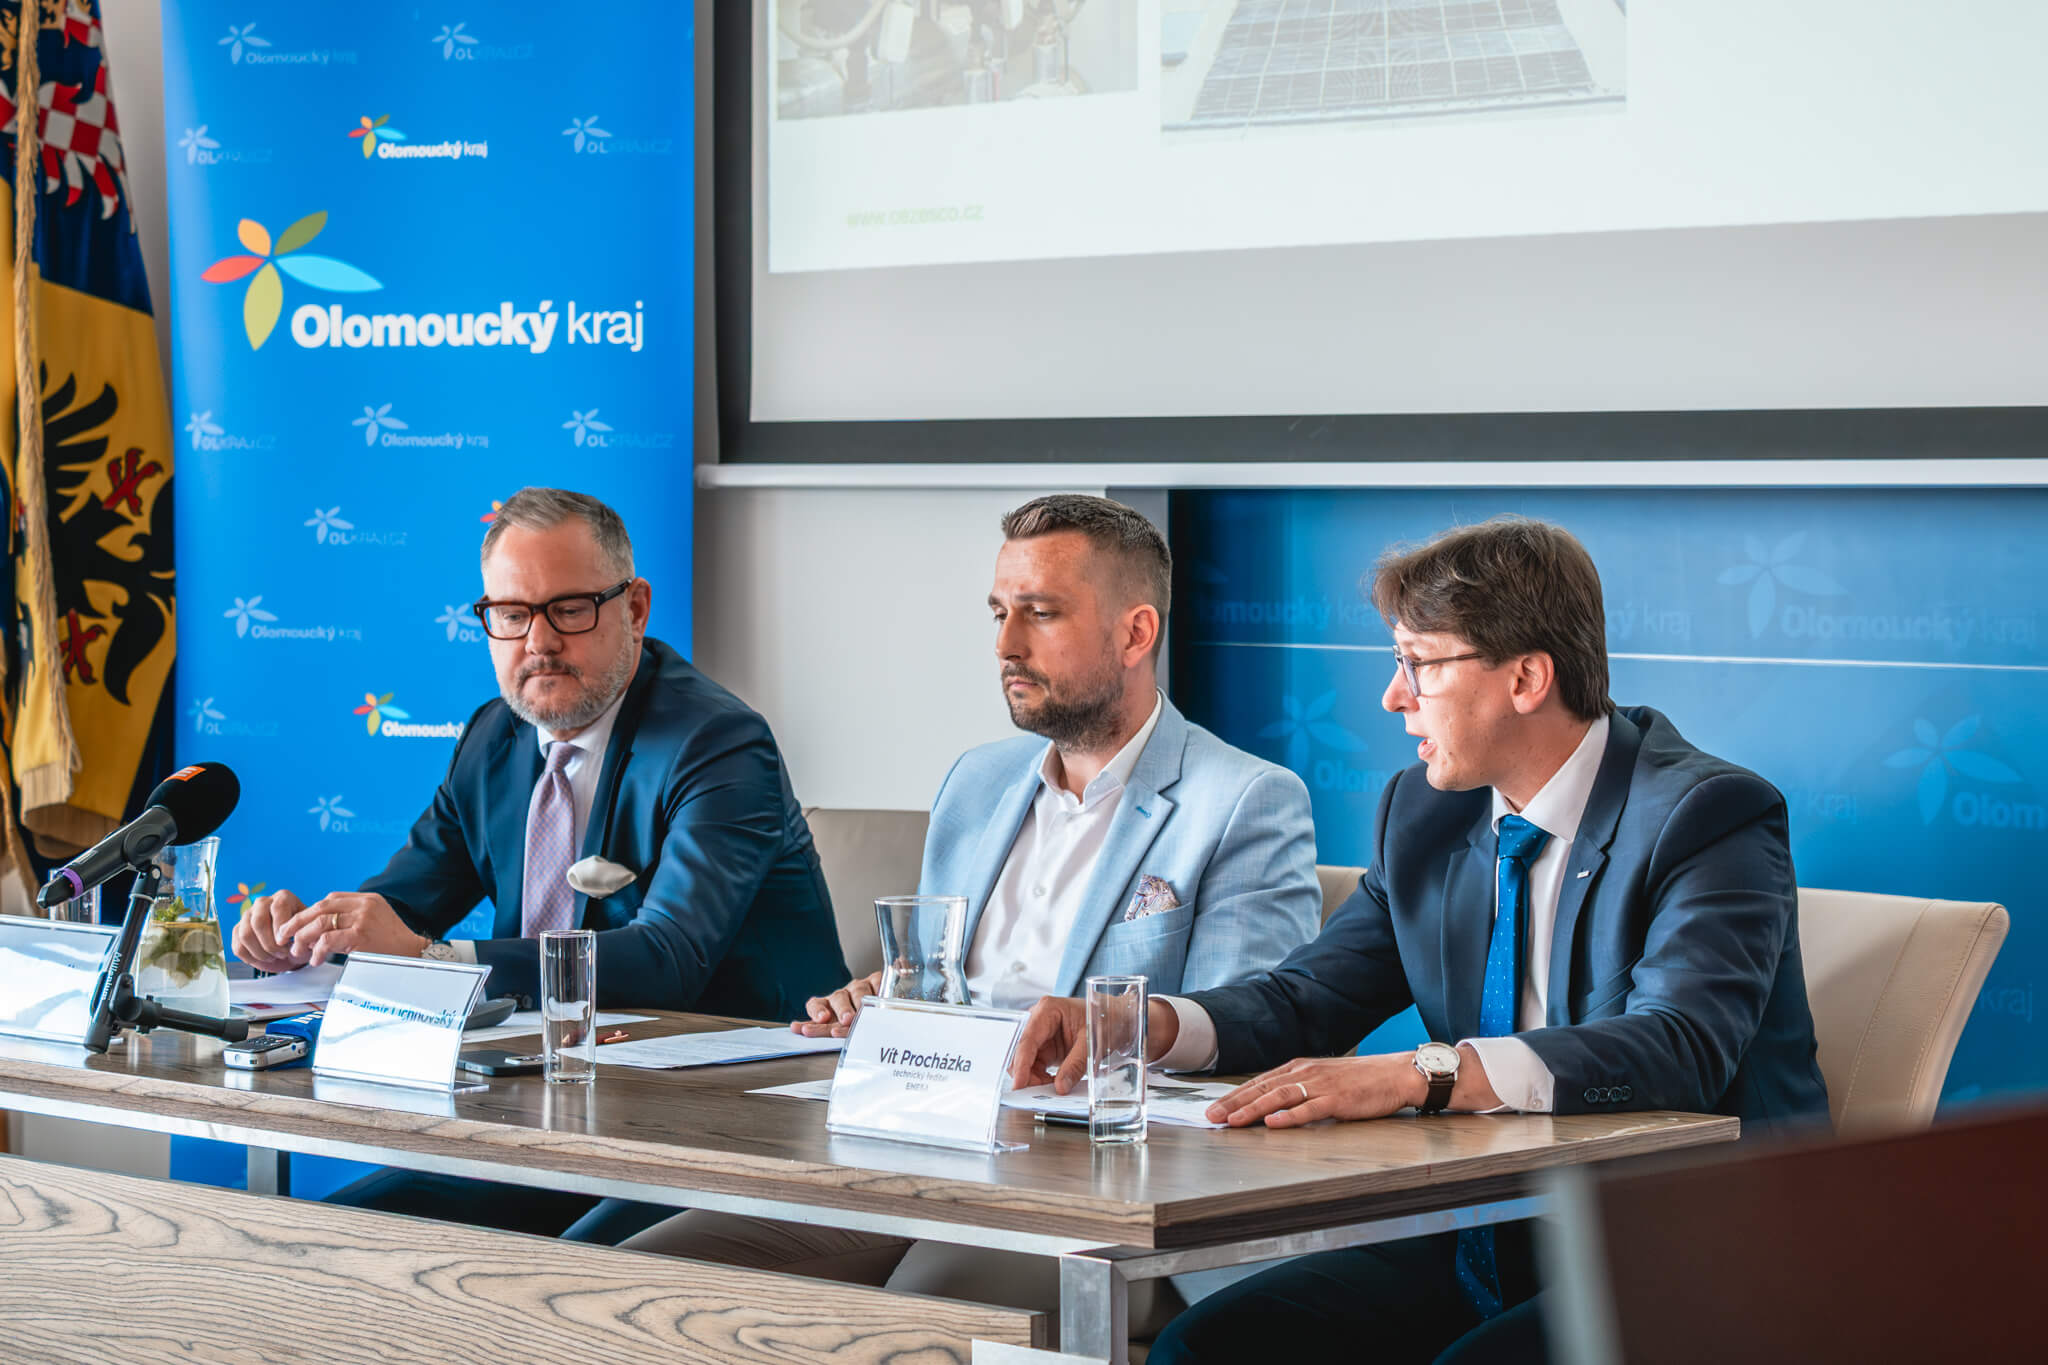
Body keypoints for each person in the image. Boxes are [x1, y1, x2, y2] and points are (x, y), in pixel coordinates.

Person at [1009, 515, 1830, 1364]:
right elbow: (1309, 997)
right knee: (1203, 1349)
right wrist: (1142, 1026)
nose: (1393, 696)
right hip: (1496, 1230)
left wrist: (1423, 1072)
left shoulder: (1707, 814)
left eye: (1419, 663)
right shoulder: (1425, 812)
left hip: (1694, 1248)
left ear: (1526, 678)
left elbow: (1681, 1045)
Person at [622, 493, 1322, 1310]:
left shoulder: (1244, 799)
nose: (1005, 644)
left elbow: (1245, 1041)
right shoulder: (976, 781)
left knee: (929, 1309)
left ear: (1136, 634)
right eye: (998, 613)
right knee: (637, 1279)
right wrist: (893, 1005)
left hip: (1096, 1197)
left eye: (1041, 614)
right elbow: (941, 985)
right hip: (923, 1154)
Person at [230, 486, 847, 1238]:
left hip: (734, 1115)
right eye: (512, 614)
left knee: (562, 1272)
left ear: (635, 608)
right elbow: (404, 904)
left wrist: (433, 958)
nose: (539, 642)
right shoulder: (494, 735)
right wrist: (313, 933)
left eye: (570, 609)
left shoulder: (717, 742)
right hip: (552, 1106)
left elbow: (669, 957)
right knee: (325, 1236)